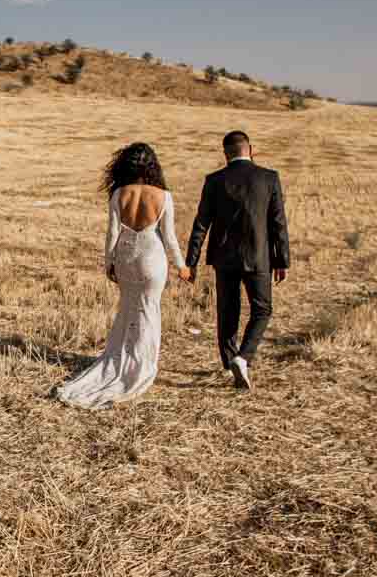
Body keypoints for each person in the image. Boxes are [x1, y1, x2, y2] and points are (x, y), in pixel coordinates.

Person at [56, 143, 190, 409]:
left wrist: (110, 263)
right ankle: (141, 365)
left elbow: (112, 234)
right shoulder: (163, 195)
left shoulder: (119, 193)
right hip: (152, 257)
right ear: (152, 166)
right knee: (148, 311)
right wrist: (181, 266)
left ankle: (120, 358)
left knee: (127, 309)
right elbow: (171, 239)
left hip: (127, 257)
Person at [182, 130, 289, 389]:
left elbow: (201, 224)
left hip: (224, 258)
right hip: (259, 257)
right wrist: (282, 259)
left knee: (227, 312)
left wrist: (191, 262)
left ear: (225, 153)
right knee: (262, 310)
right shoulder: (269, 178)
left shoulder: (214, 180)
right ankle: (243, 357)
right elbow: (278, 223)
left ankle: (231, 363)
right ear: (250, 149)